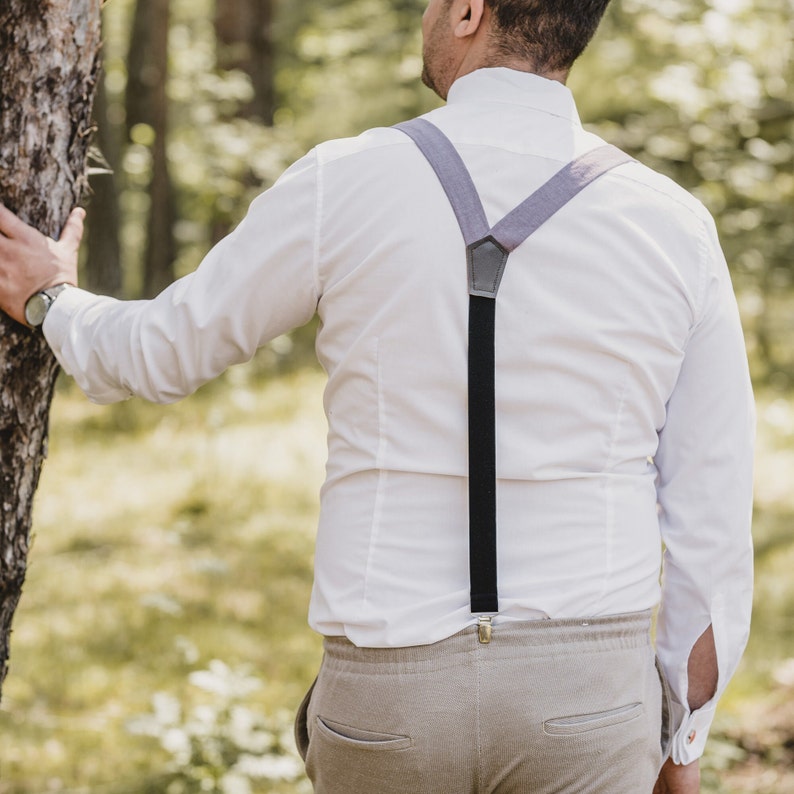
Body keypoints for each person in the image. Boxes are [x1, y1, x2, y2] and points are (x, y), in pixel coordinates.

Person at [0, 1, 754, 791]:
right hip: (586, 705)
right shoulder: (673, 226)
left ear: (467, 10)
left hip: (387, 700)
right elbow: (712, 523)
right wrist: (683, 738)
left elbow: (153, 355)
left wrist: (50, 296)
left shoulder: (344, 181)